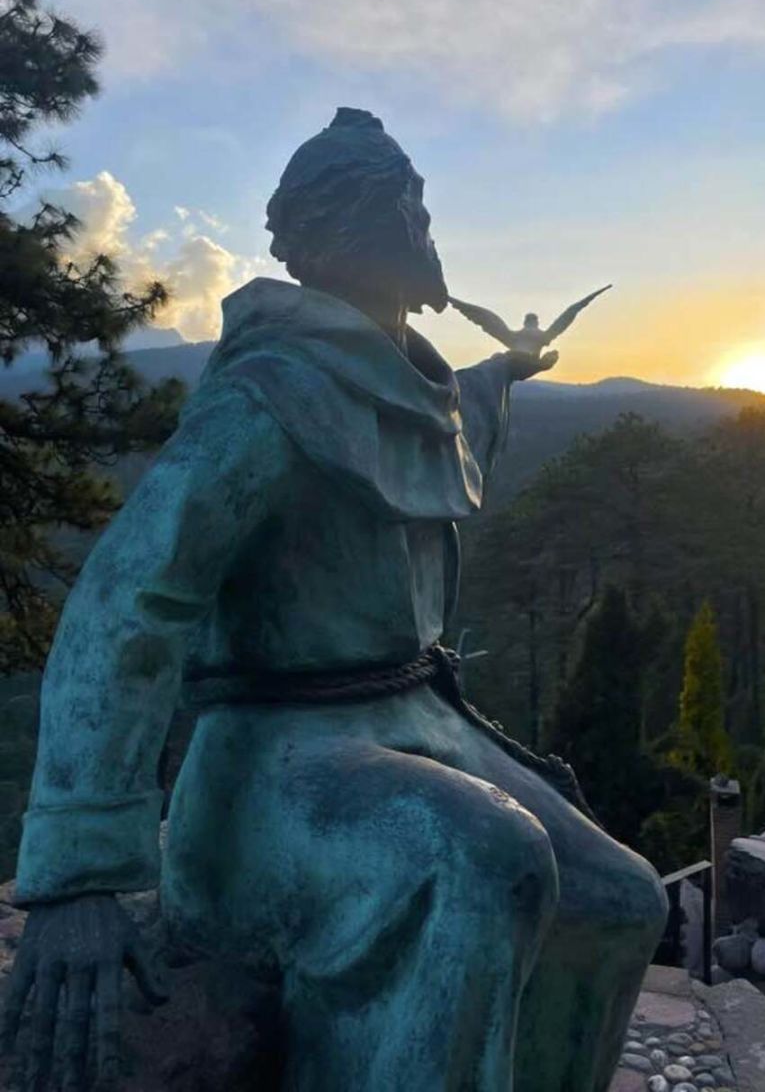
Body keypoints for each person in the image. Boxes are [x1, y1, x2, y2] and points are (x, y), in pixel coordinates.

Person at [1, 108, 667, 1092]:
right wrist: (79, 871)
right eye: (401, 202)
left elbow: (451, 420)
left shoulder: (413, 386)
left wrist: (507, 369)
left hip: (418, 721)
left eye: (420, 200)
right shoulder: (267, 396)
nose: (422, 222)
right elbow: (129, 599)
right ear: (338, 230)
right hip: (277, 763)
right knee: (483, 858)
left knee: (623, 899)